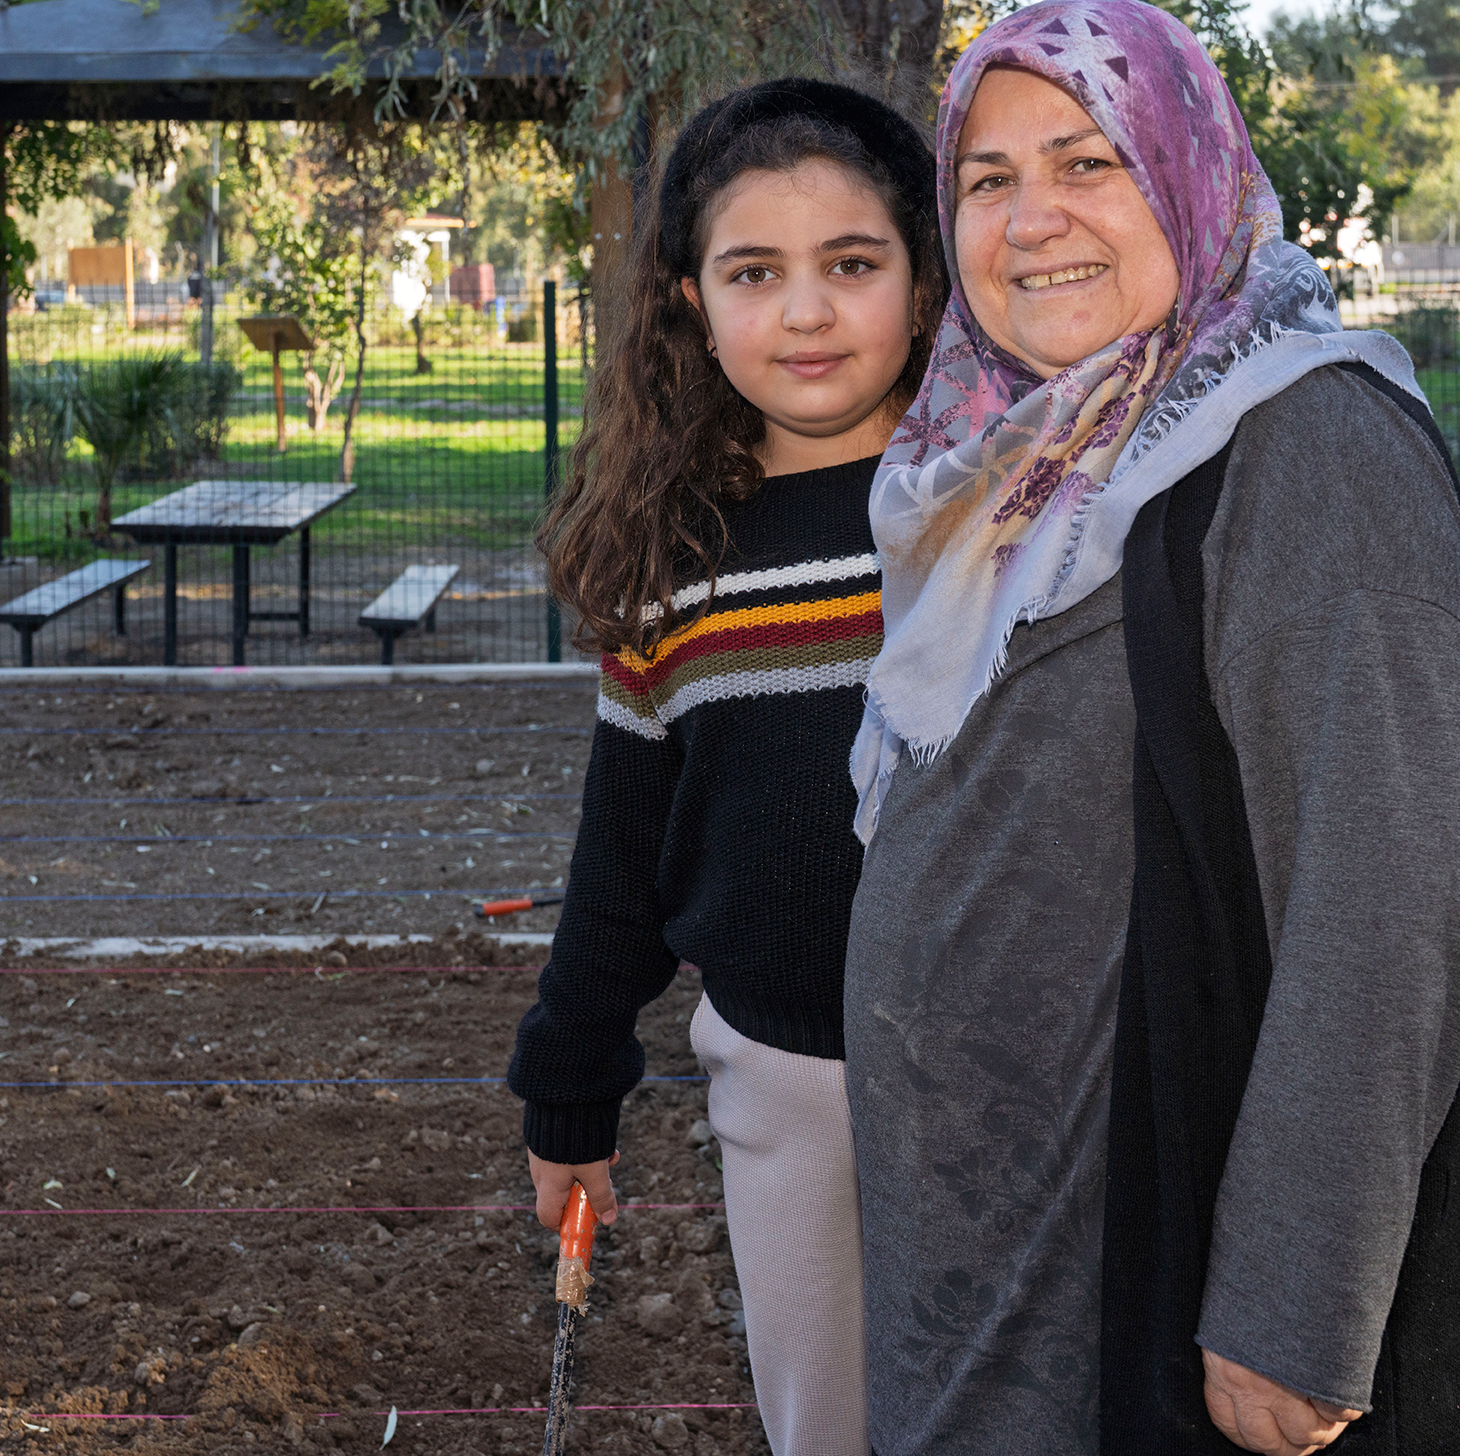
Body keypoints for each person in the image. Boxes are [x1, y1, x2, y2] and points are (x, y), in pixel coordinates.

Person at [841, 4, 1460, 1454]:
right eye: (986, 178)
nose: (1031, 219)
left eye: (1089, 161)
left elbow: (1384, 906)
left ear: (1188, 170)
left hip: (1157, 1281)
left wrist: (1296, 1307)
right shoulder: (1018, 465)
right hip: (996, 1272)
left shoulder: (1307, 443)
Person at [506, 78, 946, 1456]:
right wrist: (568, 1085)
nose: (806, 312)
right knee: (831, 1428)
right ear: (693, 301)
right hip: (786, 1086)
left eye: (852, 266)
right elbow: (623, 861)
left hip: (1024, 1079)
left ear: (927, 289)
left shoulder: (1007, 523)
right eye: (756, 271)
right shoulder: (673, 566)